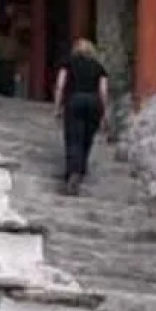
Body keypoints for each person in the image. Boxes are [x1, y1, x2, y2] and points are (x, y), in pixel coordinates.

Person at [53, 39, 110, 196]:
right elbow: (103, 91)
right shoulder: (99, 67)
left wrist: (58, 106)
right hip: (94, 102)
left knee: (73, 138)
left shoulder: (68, 63)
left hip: (74, 100)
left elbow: (60, 85)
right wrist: (105, 113)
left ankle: (73, 172)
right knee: (87, 138)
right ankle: (81, 168)